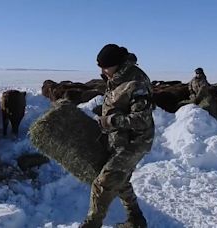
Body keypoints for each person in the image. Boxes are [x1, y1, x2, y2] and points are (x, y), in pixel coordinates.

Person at [80, 44, 154, 228]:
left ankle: (92, 225)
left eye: (105, 67)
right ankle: (136, 220)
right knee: (120, 181)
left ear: (117, 64)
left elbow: (142, 119)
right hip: (119, 140)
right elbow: (119, 103)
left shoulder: (136, 81)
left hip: (135, 141)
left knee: (103, 182)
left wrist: (111, 121)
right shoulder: (117, 78)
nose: (103, 71)